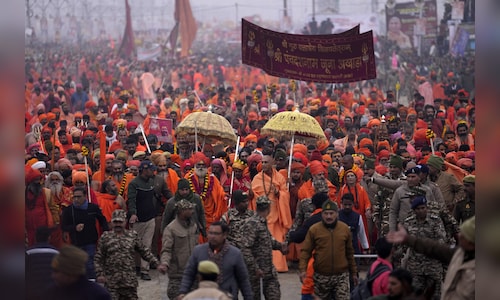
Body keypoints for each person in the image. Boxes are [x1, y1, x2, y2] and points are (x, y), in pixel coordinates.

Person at [386, 216, 475, 300]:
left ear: (471, 242)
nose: (459, 236)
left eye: (464, 236)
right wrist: (408, 239)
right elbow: (435, 248)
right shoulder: (460, 253)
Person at [177, 221, 253, 300]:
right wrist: (183, 292)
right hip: (203, 296)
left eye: (216, 234)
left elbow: (243, 280)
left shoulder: (235, 254)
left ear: (224, 235)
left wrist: (248, 297)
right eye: (210, 233)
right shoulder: (198, 251)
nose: (212, 236)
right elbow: (189, 274)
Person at [94, 209, 160, 300]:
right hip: (112, 283)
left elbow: (144, 251)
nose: (118, 224)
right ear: (112, 222)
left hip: (129, 282)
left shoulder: (132, 236)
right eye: (115, 222)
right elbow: (98, 257)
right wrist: (99, 274)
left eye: (120, 222)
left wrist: (157, 264)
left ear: (125, 222)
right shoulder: (105, 237)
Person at [299, 200, 358, 300]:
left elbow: (349, 253)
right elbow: (306, 251)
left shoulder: (344, 229)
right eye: (326, 213)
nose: (329, 216)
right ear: (322, 214)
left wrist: (354, 273)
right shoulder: (314, 230)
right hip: (321, 276)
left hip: (341, 276)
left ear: (337, 214)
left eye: (331, 213)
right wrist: (303, 270)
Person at [128, 160, 171, 280]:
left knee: (147, 245)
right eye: (151, 169)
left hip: (150, 218)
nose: (154, 171)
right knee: (136, 244)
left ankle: (144, 270)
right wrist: (133, 214)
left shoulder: (152, 182)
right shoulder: (134, 184)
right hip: (138, 219)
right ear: (144, 170)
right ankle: (135, 266)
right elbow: (131, 200)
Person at [251, 149, 292, 272]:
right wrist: (250, 193)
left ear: (272, 163)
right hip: (262, 211)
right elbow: (253, 195)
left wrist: (279, 193)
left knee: (277, 239)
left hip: (276, 210)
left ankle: (278, 266)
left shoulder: (279, 177)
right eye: (262, 162)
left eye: (266, 162)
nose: (263, 164)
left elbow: (286, 194)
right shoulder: (257, 178)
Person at [241, 196, 287, 300]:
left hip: (268, 270)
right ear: (269, 208)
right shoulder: (252, 223)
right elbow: (245, 249)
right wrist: (255, 268)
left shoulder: (262, 222)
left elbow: (267, 241)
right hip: (255, 273)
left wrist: (280, 246)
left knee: (274, 295)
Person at [61, 186, 109, 280]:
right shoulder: (69, 210)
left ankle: (92, 282)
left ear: (85, 196)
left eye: (79, 197)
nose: (76, 199)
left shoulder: (92, 208)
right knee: (78, 264)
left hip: (90, 240)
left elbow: (102, 219)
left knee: (89, 263)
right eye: (74, 197)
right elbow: (64, 226)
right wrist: (74, 228)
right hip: (76, 242)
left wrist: (105, 231)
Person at [402, 196, 446, 298]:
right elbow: (404, 241)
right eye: (418, 209)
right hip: (415, 267)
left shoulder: (435, 221)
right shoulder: (409, 222)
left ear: (427, 208)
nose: (421, 211)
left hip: (433, 266)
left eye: (423, 208)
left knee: (435, 296)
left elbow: (441, 240)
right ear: (414, 210)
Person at [159, 200, 199, 300]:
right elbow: (166, 250)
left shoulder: (193, 226)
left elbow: (197, 246)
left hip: (193, 273)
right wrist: (164, 263)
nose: (192, 211)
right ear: (181, 211)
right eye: (189, 209)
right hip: (177, 276)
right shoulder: (171, 229)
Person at [185, 152, 227, 242]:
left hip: (210, 214)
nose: (201, 167)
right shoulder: (188, 177)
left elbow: (219, 192)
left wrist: (224, 196)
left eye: (203, 165)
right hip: (194, 213)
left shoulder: (212, 178)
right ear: (194, 165)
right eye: (198, 165)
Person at [44, 245, 111, 300]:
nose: (53, 276)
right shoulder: (51, 293)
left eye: (57, 271)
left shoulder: (98, 296)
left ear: (71, 272)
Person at [26, 226, 59, 300]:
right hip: (52, 293)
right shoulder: (56, 253)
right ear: (49, 238)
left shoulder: (28, 253)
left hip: (32, 293)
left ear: (35, 238)